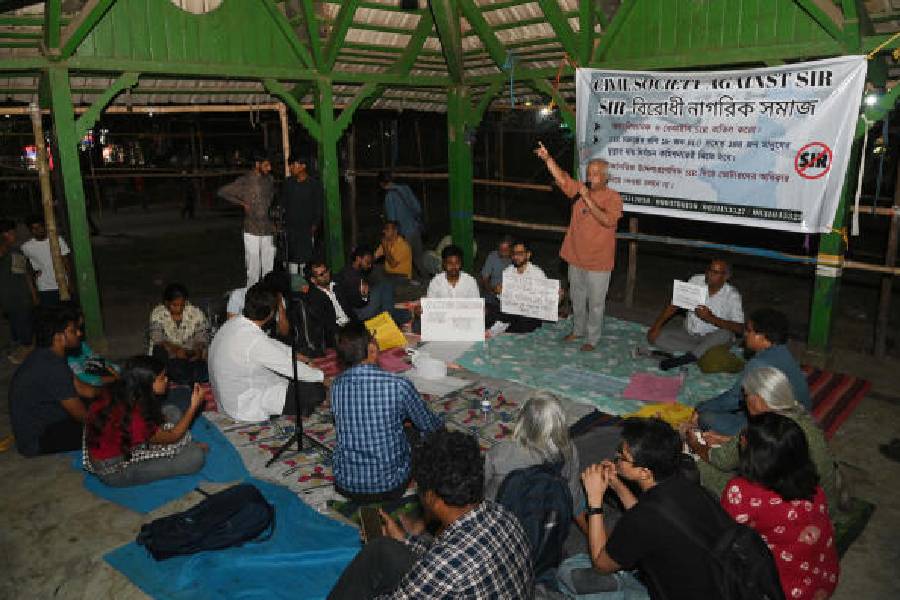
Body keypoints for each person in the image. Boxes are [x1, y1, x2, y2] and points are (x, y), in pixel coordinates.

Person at [327, 429, 533, 599]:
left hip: (446, 578)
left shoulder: (441, 569)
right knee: (382, 548)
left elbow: (441, 566)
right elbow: (445, 553)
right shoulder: (504, 516)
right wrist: (403, 539)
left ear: (432, 497)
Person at [563, 417, 729, 598]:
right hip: (721, 582)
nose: (617, 458)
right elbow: (651, 511)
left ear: (644, 473)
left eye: (622, 457)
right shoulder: (690, 488)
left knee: (569, 570)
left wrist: (594, 502)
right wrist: (617, 484)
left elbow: (601, 564)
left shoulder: (641, 521)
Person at [722, 412, 839, 599]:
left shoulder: (741, 492)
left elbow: (725, 537)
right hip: (822, 579)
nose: (741, 439)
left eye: (746, 439)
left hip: (779, 590)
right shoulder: (811, 483)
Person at [688, 366, 838, 510]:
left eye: (746, 396)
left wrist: (695, 444)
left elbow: (720, 461)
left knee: (701, 467)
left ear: (757, 400)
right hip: (819, 502)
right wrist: (725, 440)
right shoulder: (802, 420)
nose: (745, 402)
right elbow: (769, 447)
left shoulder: (761, 428)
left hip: (788, 503)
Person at [330, 322, 442, 502]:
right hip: (390, 485)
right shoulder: (397, 384)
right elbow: (429, 425)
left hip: (346, 484)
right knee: (419, 434)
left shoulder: (336, 385)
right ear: (372, 349)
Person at [535, 142, 622, 352]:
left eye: (595, 174)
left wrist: (587, 198)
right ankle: (578, 329)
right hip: (575, 257)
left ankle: (592, 338)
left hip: (599, 262)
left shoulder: (613, 198)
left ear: (606, 177)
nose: (590, 177)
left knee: (596, 303)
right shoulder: (580, 190)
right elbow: (562, 179)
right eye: (589, 173)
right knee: (577, 298)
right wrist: (548, 159)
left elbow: (608, 221)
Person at [83, 356, 208, 487]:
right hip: (115, 469)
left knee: (172, 411)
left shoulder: (121, 389)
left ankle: (183, 444)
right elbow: (173, 436)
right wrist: (193, 407)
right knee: (195, 458)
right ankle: (184, 447)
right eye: (162, 378)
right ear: (146, 384)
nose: (167, 380)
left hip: (116, 443)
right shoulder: (136, 418)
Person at [208, 283, 325, 422]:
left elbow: (271, 346)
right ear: (271, 313)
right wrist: (322, 377)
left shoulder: (234, 323)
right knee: (316, 390)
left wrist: (301, 357)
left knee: (290, 376)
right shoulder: (254, 340)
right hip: (244, 405)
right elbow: (290, 367)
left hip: (229, 398)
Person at [696, 308, 810, 435]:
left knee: (706, 418)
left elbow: (732, 400)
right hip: (799, 417)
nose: (745, 334)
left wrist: (700, 408)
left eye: (749, 331)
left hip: (779, 429)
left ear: (762, 338)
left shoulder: (757, 365)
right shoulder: (783, 351)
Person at [9, 305, 97, 456]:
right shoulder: (52, 367)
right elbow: (82, 416)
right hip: (37, 441)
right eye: (73, 330)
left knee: (103, 408)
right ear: (59, 337)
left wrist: (116, 392)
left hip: (48, 422)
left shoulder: (48, 355)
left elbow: (85, 389)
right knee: (108, 431)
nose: (79, 333)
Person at [484, 391, 585, 520]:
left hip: (500, 519)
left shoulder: (500, 452)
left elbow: (480, 487)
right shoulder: (568, 449)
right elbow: (573, 495)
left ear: (522, 420)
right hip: (542, 520)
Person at [646, 259, 745, 371]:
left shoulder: (732, 296)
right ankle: (699, 353)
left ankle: (685, 359)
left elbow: (740, 329)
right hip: (689, 334)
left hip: (714, 337)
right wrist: (656, 327)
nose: (709, 274)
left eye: (715, 272)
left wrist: (711, 318)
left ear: (726, 276)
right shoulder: (696, 280)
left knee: (726, 333)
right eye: (709, 270)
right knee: (657, 337)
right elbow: (674, 304)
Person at [218, 153, 275, 286]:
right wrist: (241, 203)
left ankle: (268, 295)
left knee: (268, 268)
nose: (269, 168)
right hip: (252, 230)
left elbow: (271, 197)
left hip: (267, 229)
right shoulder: (245, 180)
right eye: (266, 165)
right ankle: (252, 296)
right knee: (253, 269)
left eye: (270, 165)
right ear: (257, 164)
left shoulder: (269, 180)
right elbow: (223, 192)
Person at [488, 239, 556, 334]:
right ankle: (505, 327)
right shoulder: (508, 272)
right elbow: (504, 302)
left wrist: (556, 296)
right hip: (512, 312)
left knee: (524, 322)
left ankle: (507, 328)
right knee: (491, 312)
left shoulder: (537, 273)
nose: (516, 256)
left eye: (520, 253)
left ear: (528, 255)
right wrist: (498, 291)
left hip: (529, 315)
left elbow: (544, 300)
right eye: (513, 253)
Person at [148, 283, 210, 386]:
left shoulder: (195, 313)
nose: (179, 308)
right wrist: (176, 350)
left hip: (190, 355)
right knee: (160, 353)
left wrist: (197, 349)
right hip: (169, 355)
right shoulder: (158, 313)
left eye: (182, 305)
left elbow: (202, 336)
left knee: (201, 368)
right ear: (166, 303)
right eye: (174, 305)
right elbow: (157, 338)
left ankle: (186, 377)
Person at [335, 245, 406, 324]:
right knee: (386, 285)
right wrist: (364, 296)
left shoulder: (354, 269)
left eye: (371, 263)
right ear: (358, 259)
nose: (370, 266)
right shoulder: (350, 276)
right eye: (367, 262)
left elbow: (368, 287)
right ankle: (388, 319)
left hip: (362, 307)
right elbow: (357, 303)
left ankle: (392, 316)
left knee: (403, 313)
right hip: (358, 312)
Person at [280, 155, 323, 275]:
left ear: (303, 166)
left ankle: (304, 288)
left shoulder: (314, 185)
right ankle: (294, 287)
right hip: (290, 229)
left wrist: (315, 225)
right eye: (290, 165)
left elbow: (319, 207)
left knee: (305, 261)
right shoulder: (288, 183)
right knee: (291, 262)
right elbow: (283, 204)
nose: (291, 167)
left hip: (306, 229)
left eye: (293, 164)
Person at [1, 218, 36, 364]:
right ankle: (23, 347)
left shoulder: (15, 252)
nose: (15, 235)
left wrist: (33, 295)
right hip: (8, 299)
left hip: (20, 298)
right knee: (17, 324)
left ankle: (28, 352)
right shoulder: (10, 252)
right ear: (7, 234)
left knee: (24, 326)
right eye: (13, 232)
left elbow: (26, 276)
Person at [379, 171, 425, 281]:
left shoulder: (389, 197)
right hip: (415, 229)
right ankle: (427, 282)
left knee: (402, 265)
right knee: (419, 260)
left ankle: (409, 285)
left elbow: (392, 223)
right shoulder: (405, 188)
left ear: (381, 184)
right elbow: (418, 208)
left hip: (403, 235)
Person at [21, 213, 73, 306]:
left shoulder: (57, 239)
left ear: (45, 226)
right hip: (44, 287)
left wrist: (70, 282)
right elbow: (26, 270)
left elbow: (66, 262)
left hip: (62, 284)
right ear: (30, 230)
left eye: (40, 227)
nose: (38, 230)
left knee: (67, 315)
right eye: (34, 228)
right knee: (50, 316)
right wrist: (34, 292)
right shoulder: (26, 247)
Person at [226, 270, 291, 340]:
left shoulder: (277, 299)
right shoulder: (238, 295)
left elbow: (284, 332)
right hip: (242, 337)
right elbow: (232, 326)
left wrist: (280, 305)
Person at [305, 260, 352, 348]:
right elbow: (326, 326)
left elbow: (354, 305)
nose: (326, 275)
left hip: (351, 325)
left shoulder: (338, 284)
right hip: (336, 335)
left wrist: (363, 295)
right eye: (321, 274)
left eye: (326, 271)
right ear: (313, 280)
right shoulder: (313, 298)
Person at [480, 235, 513, 306]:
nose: (503, 252)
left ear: (511, 249)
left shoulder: (516, 259)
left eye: (506, 249)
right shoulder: (492, 256)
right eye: (500, 249)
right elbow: (484, 279)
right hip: (493, 291)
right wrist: (492, 290)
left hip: (511, 293)